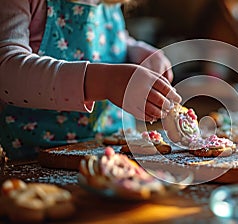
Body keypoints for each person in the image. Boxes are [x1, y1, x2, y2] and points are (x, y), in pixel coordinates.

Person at [0, 0, 182, 160]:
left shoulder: (110, 3)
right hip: (32, 156)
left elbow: (114, 39)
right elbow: (6, 71)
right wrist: (106, 82)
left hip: (114, 152)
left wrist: (137, 52)